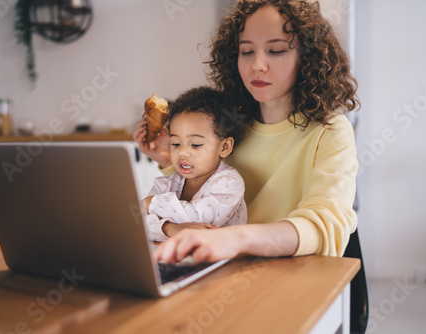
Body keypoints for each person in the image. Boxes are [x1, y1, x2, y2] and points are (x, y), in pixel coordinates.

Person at [133, 0, 359, 264]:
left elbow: (324, 226)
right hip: (223, 269)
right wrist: (169, 159)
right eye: (246, 51)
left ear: (307, 57)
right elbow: (202, 205)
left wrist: (235, 239)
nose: (257, 65)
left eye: (275, 50)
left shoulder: (329, 130)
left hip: (288, 275)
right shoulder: (229, 123)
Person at [141, 86, 247, 242]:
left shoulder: (229, 183)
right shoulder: (167, 184)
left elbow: (198, 219)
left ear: (224, 147)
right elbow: (138, 223)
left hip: (225, 263)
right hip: (177, 260)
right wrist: (170, 229)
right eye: (176, 143)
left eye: (195, 145)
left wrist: (151, 203)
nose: (182, 152)